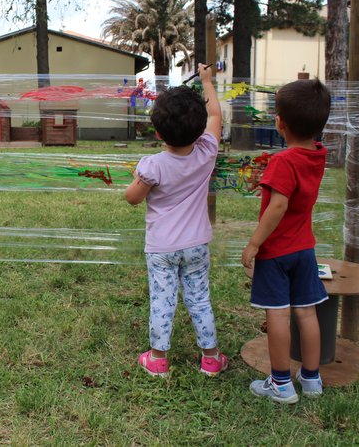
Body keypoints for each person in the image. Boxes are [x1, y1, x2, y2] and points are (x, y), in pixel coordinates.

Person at [125, 63, 227, 378]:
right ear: (198, 129)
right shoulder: (207, 151)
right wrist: (208, 82)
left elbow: (132, 197)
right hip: (197, 244)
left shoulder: (152, 166)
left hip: (162, 249)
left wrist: (136, 178)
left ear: (157, 131)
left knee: (162, 299)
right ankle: (210, 358)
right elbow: (215, 118)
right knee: (199, 298)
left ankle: (158, 359)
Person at [241, 79, 331, 403]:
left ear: (280, 122)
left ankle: (280, 383)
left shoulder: (283, 161)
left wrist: (254, 243)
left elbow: (278, 205)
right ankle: (311, 379)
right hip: (305, 249)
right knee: (307, 313)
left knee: (277, 314)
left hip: (276, 253)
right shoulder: (317, 155)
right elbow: (292, 194)